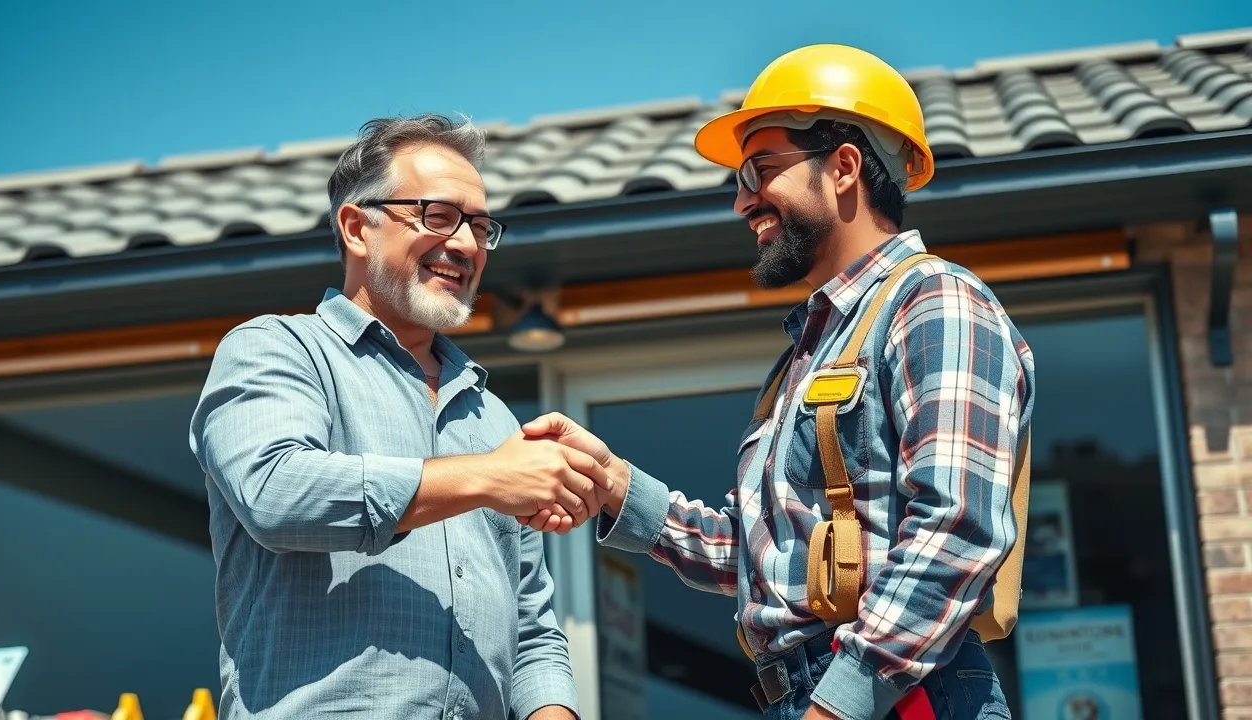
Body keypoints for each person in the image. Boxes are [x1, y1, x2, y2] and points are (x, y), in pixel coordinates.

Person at [522, 45, 1035, 720]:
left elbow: (959, 529)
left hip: (899, 697)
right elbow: (764, 553)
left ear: (845, 167)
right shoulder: (812, 351)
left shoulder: (934, 301)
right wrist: (616, 485)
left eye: (761, 170)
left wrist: (837, 705)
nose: (741, 200)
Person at [189, 114, 605, 720]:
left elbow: (533, 630)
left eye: (481, 227)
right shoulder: (276, 349)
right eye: (438, 217)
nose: (465, 244)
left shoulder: (491, 419)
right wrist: (486, 479)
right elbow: (275, 493)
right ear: (357, 228)